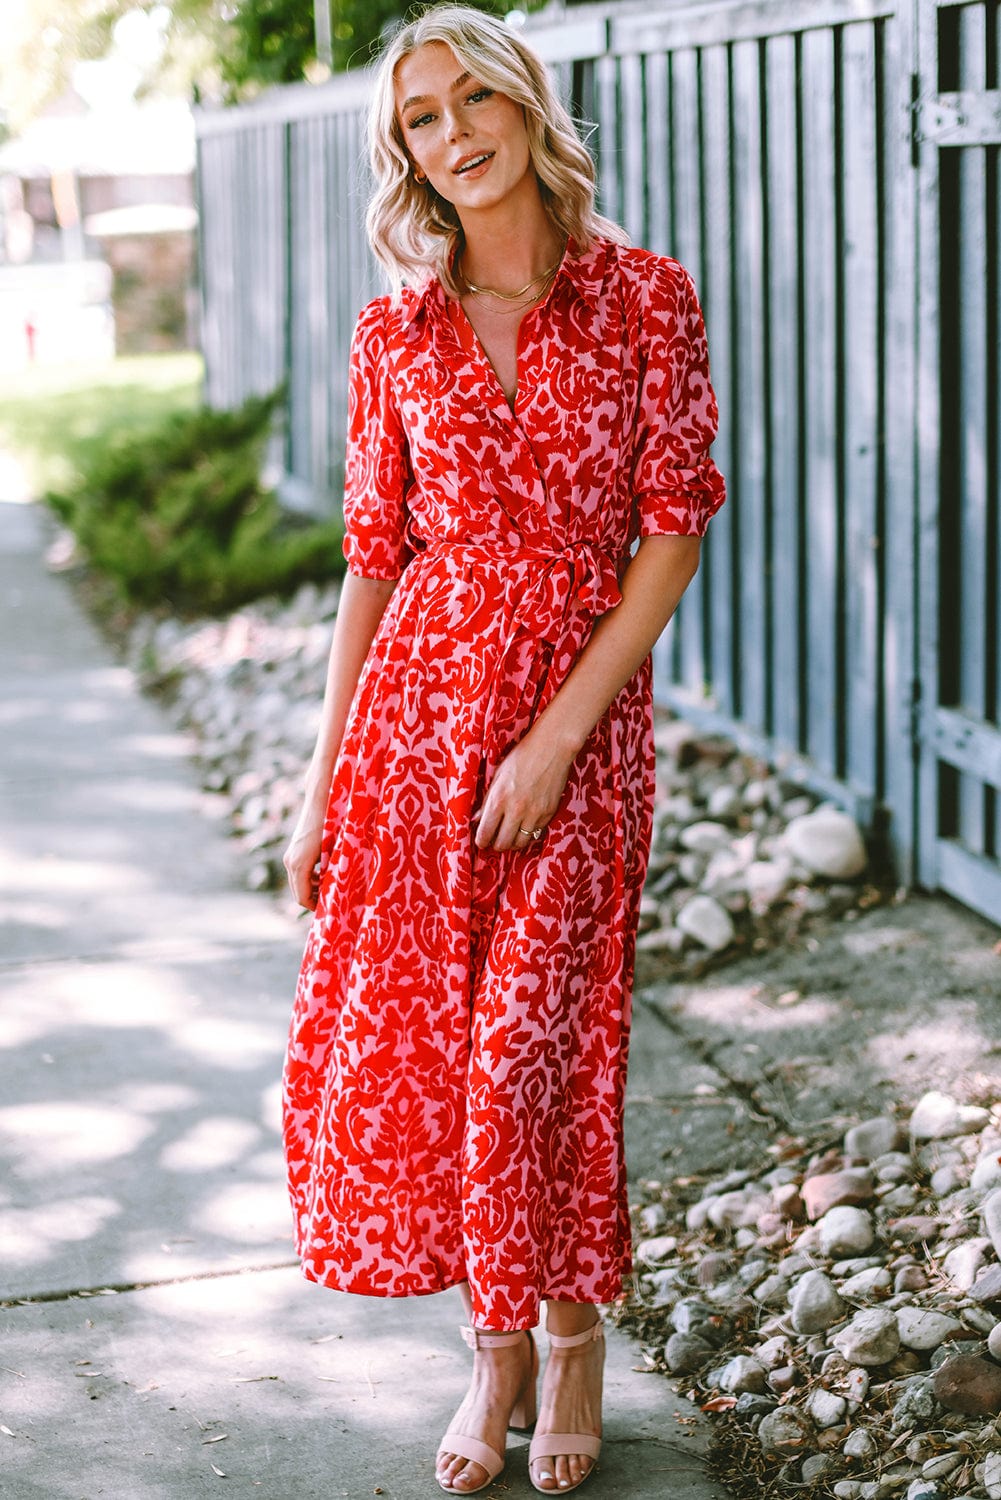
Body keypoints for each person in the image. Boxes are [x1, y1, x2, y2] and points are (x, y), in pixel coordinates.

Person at [281, 4, 725, 1493]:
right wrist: (321, 785)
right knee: (445, 1049)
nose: (453, 132)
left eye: (473, 98)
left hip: (576, 729)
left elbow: (670, 536)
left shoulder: (646, 297)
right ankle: (496, 1352)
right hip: (415, 727)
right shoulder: (393, 332)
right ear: (404, 150)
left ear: (527, 108)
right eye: (422, 116)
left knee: (542, 1040)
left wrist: (552, 740)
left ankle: (572, 1335)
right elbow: (373, 565)